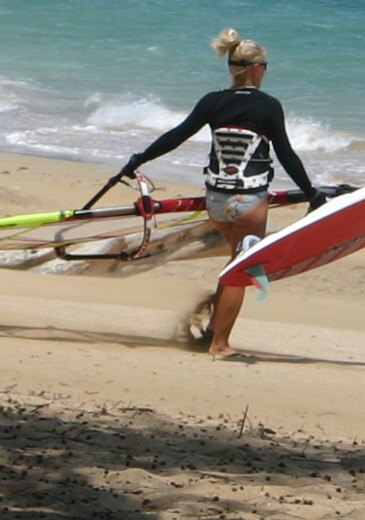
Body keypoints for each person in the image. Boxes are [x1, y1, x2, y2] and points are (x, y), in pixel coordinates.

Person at [118, 27, 319, 358]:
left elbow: (176, 136)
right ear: (256, 69)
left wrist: (138, 159)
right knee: (242, 269)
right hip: (249, 201)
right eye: (265, 67)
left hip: (215, 201)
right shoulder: (268, 106)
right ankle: (220, 345)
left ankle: (213, 329)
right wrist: (311, 193)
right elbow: (285, 153)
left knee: (235, 261)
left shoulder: (212, 101)